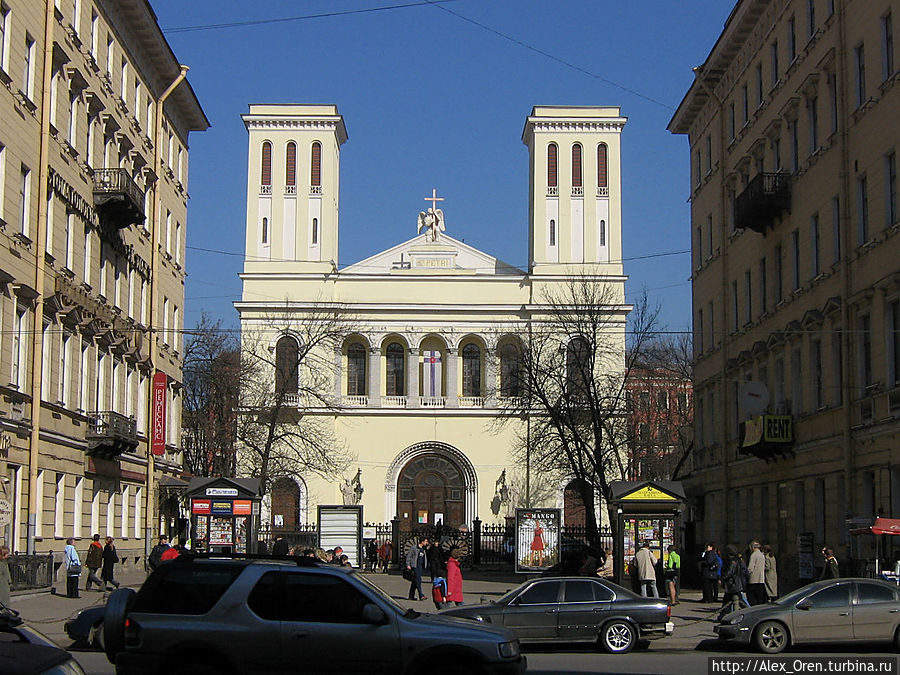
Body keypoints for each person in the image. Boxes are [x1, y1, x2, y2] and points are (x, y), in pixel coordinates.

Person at [719, 545, 747, 620]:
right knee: (735, 600)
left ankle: (723, 615)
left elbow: (729, 572)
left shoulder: (732, 561)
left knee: (732, 601)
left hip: (733, 584)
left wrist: (723, 578)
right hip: (735, 584)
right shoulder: (737, 560)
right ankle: (723, 615)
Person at [747, 541, 766, 606]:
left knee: (752, 598)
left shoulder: (753, 555)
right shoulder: (762, 555)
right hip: (761, 580)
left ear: (752, 547)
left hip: (753, 580)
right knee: (760, 599)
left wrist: (747, 575)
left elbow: (750, 568)